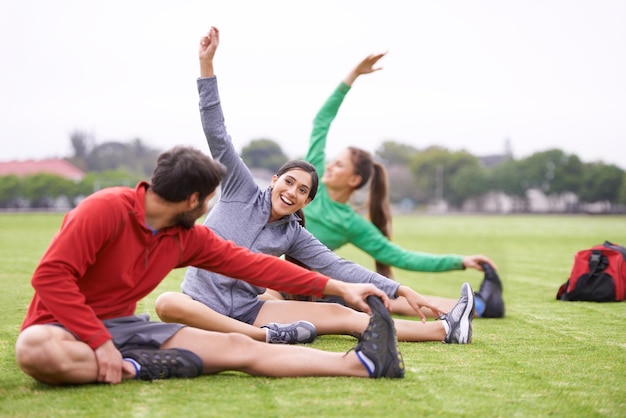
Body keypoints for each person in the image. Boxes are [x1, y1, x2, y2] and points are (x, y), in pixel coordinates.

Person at [14, 92, 408, 385]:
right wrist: (99, 341)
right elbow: (50, 277)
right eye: (209, 200)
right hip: (61, 328)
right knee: (33, 351)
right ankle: (136, 366)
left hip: (127, 330)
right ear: (193, 200)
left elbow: (258, 266)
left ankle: (358, 365)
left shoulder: (186, 237)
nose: (210, 207)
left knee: (241, 348)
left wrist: (338, 286)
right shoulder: (105, 208)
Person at [154, 26, 475, 347]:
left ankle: (447, 330)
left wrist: (401, 289)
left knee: (344, 315)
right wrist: (206, 66)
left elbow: (338, 266)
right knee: (167, 302)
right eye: (289, 182)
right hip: (200, 305)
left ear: (306, 201)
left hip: (247, 309)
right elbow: (217, 133)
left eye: (303, 191)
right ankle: (260, 337)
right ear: (275, 181)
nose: (292, 192)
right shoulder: (241, 188)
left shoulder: (292, 233)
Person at [298, 52, 505, 319]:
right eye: (332, 162)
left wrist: (461, 261)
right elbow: (321, 122)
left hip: (306, 288)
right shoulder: (311, 182)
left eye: (339, 165)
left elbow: (403, 258)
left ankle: (480, 306)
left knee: (384, 298)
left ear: (354, 180)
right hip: (267, 273)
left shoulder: (352, 223)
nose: (329, 167)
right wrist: (352, 77)